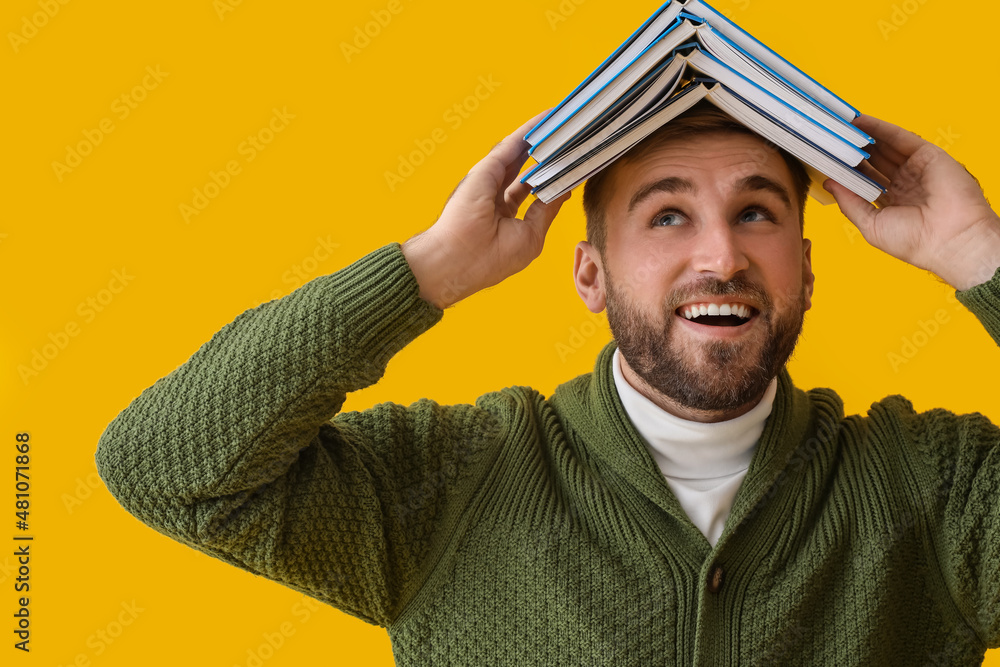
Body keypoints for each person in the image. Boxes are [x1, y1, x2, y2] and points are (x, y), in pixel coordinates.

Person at [95, 100, 1000, 666]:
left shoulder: (936, 485)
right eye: (668, 214)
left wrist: (979, 256)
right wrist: (429, 270)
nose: (721, 255)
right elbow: (165, 466)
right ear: (591, 276)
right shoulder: (451, 481)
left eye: (755, 213)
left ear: (804, 269)